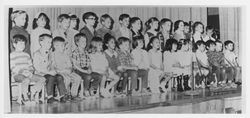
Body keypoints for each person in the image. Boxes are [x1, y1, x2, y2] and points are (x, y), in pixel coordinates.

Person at [10, 34, 46, 104]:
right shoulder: (12, 55)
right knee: (26, 80)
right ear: (14, 45)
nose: (22, 46)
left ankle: (34, 90)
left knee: (43, 79)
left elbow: (31, 66)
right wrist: (22, 71)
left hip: (28, 74)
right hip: (17, 75)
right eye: (20, 44)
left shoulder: (26, 55)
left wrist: (30, 71)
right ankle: (25, 97)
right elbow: (12, 67)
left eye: (23, 44)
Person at [33, 34, 68, 103]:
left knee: (59, 77)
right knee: (50, 77)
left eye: (50, 42)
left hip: (50, 73)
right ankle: (50, 97)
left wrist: (54, 70)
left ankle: (62, 96)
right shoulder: (37, 54)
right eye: (48, 42)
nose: (50, 44)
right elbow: (37, 67)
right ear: (41, 42)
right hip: (41, 74)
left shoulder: (50, 53)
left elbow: (52, 64)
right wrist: (49, 72)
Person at [50, 36, 82, 100]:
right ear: (55, 46)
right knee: (67, 79)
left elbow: (70, 65)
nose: (64, 47)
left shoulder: (66, 55)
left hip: (67, 71)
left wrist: (69, 69)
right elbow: (53, 66)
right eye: (62, 45)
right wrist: (61, 71)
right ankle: (65, 94)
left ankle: (74, 95)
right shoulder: (52, 55)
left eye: (64, 45)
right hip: (59, 72)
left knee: (78, 78)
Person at [71, 33, 92, 97]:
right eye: (82, 41)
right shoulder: (75, 52)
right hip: (77, 70)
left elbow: (89, 63)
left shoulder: (86, 52)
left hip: (85, 69)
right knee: (87, 76)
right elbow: (75, 65)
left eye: (85, 41)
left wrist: (89, 68)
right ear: (77, 42)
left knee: (91, 75)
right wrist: (84, 71)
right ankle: (85, 91)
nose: (84, 43)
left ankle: (88, 90)